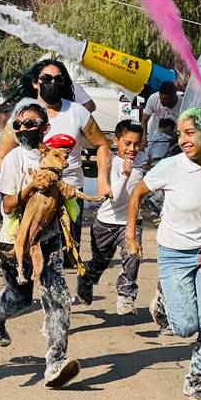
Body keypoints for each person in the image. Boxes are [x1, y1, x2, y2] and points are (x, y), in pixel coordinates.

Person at [124, 108, 201, 400]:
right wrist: (130, 235)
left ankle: (195, 378)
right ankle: (164, 301)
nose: (183, 139)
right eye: (180, 134)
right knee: (185, 327)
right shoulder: (170, 167)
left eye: (190, 133)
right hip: (174, 254)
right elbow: (137, 193)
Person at [0, 100, 80, 390]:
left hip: (48, 239)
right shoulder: (14, 160)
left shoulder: (57, 158)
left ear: (45, 128)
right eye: (18, 125)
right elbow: (8, 206)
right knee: (20, 299)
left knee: (57, 296)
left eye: (31, 123)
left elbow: (62, 200)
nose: (23, 129)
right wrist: (31, 187)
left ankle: (56, 361)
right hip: (13, 242)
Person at [0, 59, 111, 267]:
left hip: (69, 193)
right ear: (35, 83)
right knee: (34, 252)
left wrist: (102, 179)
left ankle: (53, 292)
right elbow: (1, 156)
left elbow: (102, 144)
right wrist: (14, 190)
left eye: (58, 79)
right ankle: (41, 294)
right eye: (46, 79)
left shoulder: (77, 112)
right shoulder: (23, 115)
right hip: (33, 196)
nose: (52, 83)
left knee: (66, 257)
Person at [77, 120, 144, 315]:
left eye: (137, 144)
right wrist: (125, 174)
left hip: (131, 222)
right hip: (106, 223)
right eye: (127, 143)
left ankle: (126, 296)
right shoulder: (110, 163)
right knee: (100, 261)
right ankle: (86, 279)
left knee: (133, 255)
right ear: (116, 140)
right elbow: (113, 198)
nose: (132, 149)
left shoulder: (143, 162)